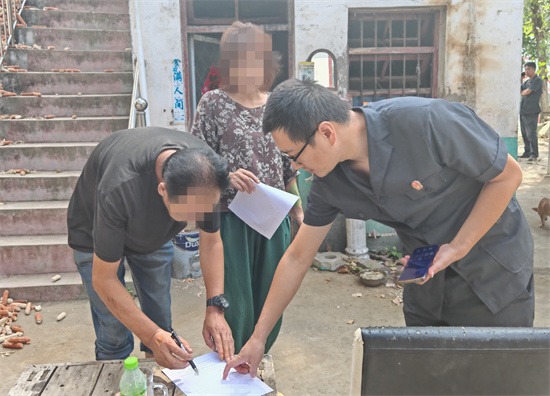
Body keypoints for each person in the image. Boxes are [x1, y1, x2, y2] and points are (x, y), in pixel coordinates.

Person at [224, 79, 535, 378]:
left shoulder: (427, 121)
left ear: (327, 133)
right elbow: (297, 257)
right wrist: (258, 337)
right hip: (426, 273)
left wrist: (457, 247)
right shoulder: (329, 183)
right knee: (432, 375)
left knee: (496, 374)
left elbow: (508, 176)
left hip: (491, 266)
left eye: (294, 155)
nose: (293, 166)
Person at [67, 127, 233, 369]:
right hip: (93, 233)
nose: (200, 218)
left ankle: (157, 378)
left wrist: (215, 307)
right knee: (114, 331)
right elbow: (104, 279)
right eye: (191, 213)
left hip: (152, 235)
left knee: (160, 320)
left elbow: (211, 241)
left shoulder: (205, 174)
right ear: (163, 190)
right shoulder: (119, 186)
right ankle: (118, 380)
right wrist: (152, 336)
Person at [191, 22, 303, 356]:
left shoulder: (277, 104)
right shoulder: (213, 104)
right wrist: (224, 176)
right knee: (235, 299)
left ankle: (258, 356)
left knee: (272, 294)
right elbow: (197, 162)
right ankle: (233, 361)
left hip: (273, 219)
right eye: (240, 61)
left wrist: (298, 211)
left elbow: (288, 165)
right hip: (230, 220)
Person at [520, 61, 543, 161]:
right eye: (525, 69)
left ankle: (534, 154)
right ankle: (527, 151)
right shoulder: (526, 82)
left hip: (531, 111)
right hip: (523, 111)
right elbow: (520, 90)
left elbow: (526, 92)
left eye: (528, 69)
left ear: (534, 69)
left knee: (531, 133)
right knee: (524, 133)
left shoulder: (537, 80)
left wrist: (523, 92)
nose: (526, 71)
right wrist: (520, 79)